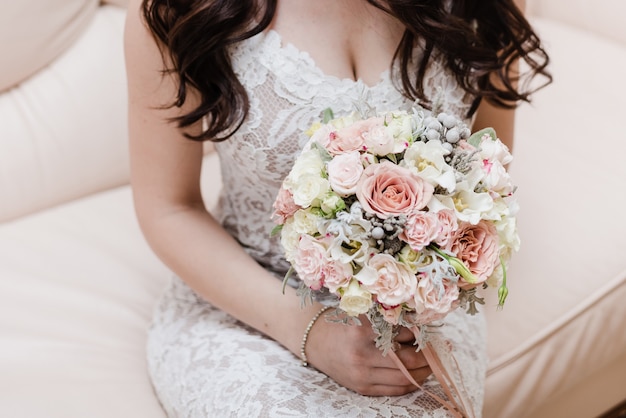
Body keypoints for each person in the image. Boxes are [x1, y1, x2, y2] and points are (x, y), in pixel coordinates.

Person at [124, 0, 550, 416]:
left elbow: (486, 176)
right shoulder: (178, 10)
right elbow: (169, 209)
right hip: (246, 295)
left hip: (417, 309)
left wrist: (416, 287)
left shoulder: (486, 7)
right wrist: (309, 331)